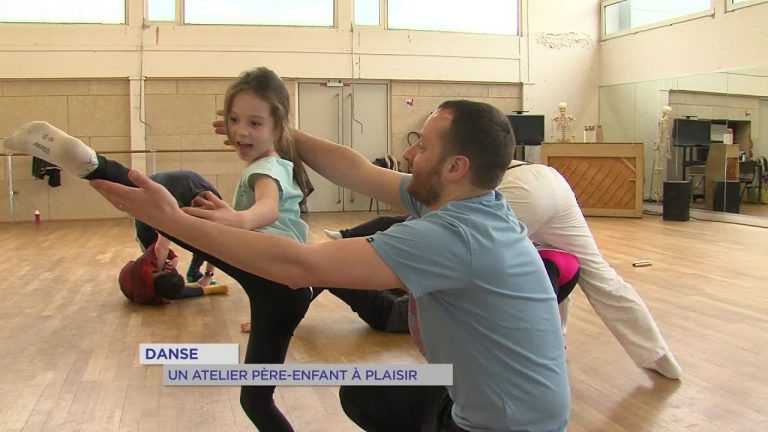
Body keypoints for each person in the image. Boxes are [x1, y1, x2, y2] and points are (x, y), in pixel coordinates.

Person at [77, 99, 570, 431]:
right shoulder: (463, 200)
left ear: (455, 167)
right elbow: (354, 170)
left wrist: (172, 220)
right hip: (493, 400)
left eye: (422, 145)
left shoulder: (454, 235)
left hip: (508, 425)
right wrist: (279, 130)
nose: (407, 152)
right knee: (366, 395)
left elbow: (298, 267)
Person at [4, 67, 314, 432]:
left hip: (269, 264)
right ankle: (92, 167)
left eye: (255, 123)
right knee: (255, 400)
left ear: (278, 128)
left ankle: (93, 166)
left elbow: (269, 207)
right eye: (234, 119)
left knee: (175, 201)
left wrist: (240, 221)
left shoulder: (266, 169)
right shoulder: (276, 162)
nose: (241, 131)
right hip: (279, 291)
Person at [496, 161, 682, 380]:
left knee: (470, 269)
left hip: (516, 187)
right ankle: (660, 358)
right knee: (601, 276)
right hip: (550, 180)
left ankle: (454, 375)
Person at [137, 170, 223, 286]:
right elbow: (160, 247)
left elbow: (215, 244)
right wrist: (159, 275)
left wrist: (209, 275)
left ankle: (194, 271)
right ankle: (157, 274)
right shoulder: (170, 205)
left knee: (205, 237)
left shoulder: (218, 207)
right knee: (149, 246)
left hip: (177, 184)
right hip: (146, 195)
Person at [119, 237, 229, 305]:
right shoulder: (148, 296)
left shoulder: (146, 262)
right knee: (179, 293)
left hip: (131, 273)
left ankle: (197, 287)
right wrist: (164, 301)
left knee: (175, 289)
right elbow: (142, 300)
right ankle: (205, 290)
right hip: (131, 282)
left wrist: (174, 258)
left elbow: (158, 248)